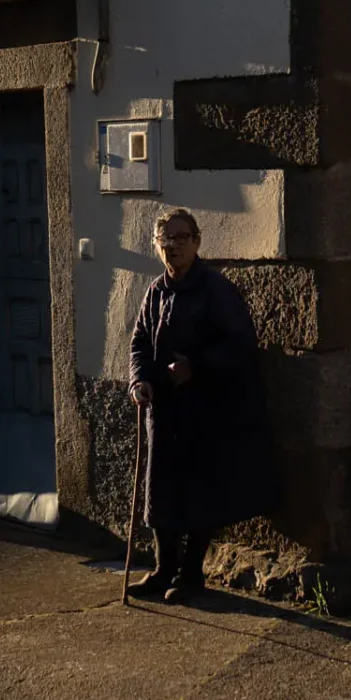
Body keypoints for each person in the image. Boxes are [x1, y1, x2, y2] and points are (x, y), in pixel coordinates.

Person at [128, 208, 277, 603]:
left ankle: (192, 575)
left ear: (197, 242)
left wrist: (196, 367)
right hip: (164, 408)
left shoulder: (217, 291)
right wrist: (139, 380)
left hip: (204, 408)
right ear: (156, 245)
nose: (172, 245)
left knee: (199, 490)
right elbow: (140, 340)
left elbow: (240, 344)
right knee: (160, 489)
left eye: (180, 237)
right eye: (165, 239)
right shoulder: (156, 291)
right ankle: (163, 569)